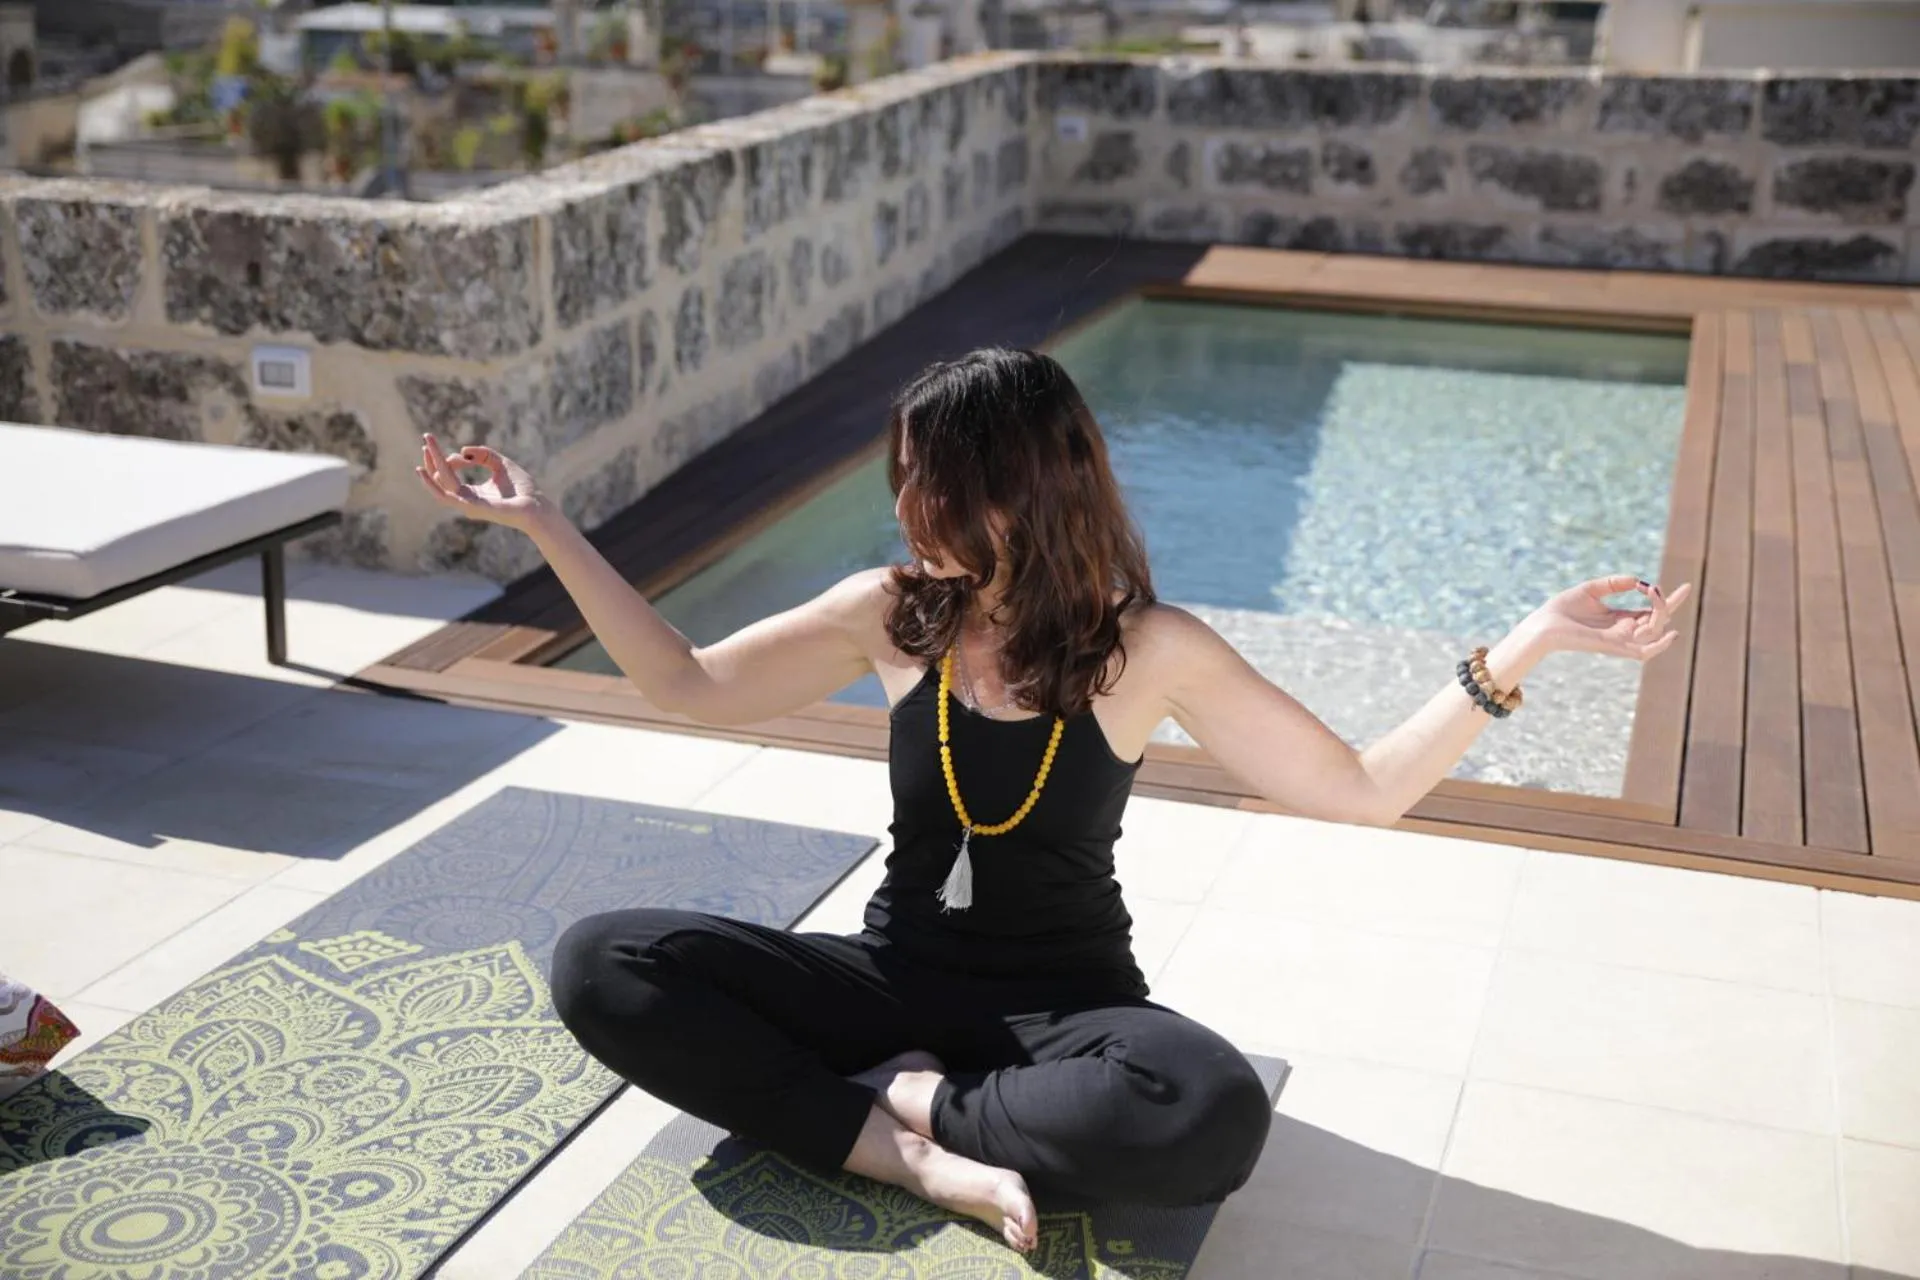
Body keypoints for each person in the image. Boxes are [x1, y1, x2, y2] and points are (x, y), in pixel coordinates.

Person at [415, 346, 1689, 1253]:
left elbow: (1361, 788)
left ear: (1013, 488)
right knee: (605, 961)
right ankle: (910, 1150)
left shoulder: (1148, 648)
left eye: (927, 479)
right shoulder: (892, 611)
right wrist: (544, 525)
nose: (903, 504)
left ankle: (907, 1097)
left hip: (1067, 1010)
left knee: (1208, 1109)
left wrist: (1526, 643)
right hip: (888, 975)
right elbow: (686, 685)